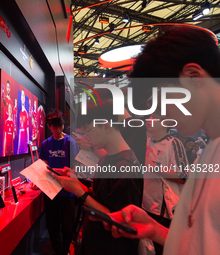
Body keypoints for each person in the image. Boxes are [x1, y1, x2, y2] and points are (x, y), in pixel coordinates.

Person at [97, 26, 220, 255]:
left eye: (160, 101)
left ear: (193, 77)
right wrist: (153, 228)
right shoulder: (212, 148)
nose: (160, 116)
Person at [54, 100, 143, 255]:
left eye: (88, 132)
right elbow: (101, 196)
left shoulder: (127, 167)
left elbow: (118, 220)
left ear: (107, 125)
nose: (86, 138)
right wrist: (76, 182)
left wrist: (80, 192)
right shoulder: (106, 158)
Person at [143, 113, 189, 255]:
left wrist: (155, 167)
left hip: (163, 210)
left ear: (164, 123)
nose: (148, 120)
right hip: (145, 205)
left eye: (153, 118)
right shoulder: (145, 142)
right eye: (149, 117)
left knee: (164, 248)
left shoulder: (173, 143)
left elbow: (183, 176)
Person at [39, 110, 79, 255]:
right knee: (52, 224)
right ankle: (58, 251)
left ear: (63, 127)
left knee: (67, 225)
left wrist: (64, 172)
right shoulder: (46, 144)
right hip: (51, 190)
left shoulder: (71, 143)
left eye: (59, 127)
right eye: (53, 127)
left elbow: (76, 167)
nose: (57, 130)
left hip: (67, 190)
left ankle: (66, 249)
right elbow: (43, 162)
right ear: (50, 127)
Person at [17, 89, 29, 154]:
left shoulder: (26, 113)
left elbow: (27, 129)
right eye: (21, 96)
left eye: (23, 96)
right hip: (20, 140)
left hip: (24, 141)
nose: (22, 98)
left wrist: (27, 143)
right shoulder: (19, 112)